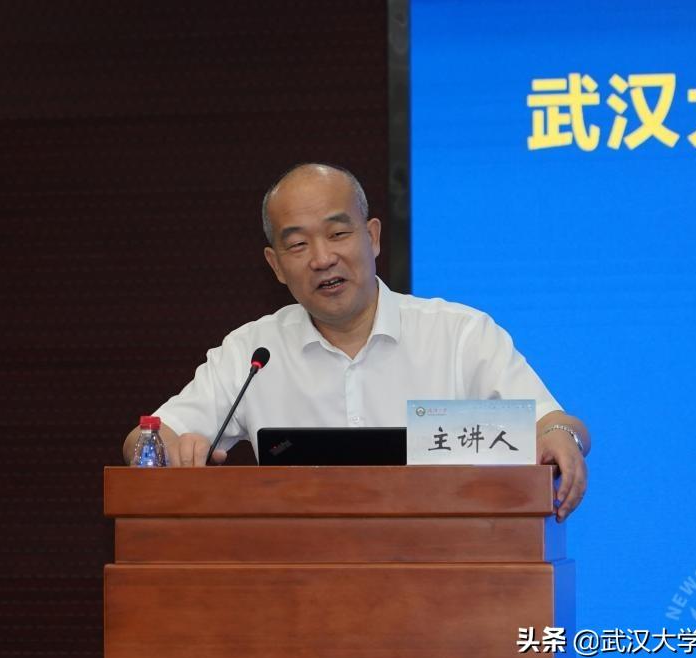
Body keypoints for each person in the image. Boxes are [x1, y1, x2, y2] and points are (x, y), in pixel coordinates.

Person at [122, 163, 590, 521]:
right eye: (298, 245)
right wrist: (165, 448)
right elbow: (146, 438)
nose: (322, 258)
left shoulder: (459, 334)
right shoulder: (253, 353)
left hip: (448, 577)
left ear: (373, 237)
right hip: (302, 588)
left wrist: (561, 437)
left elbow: (553, 424)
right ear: (276, 265)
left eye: (338, 233)